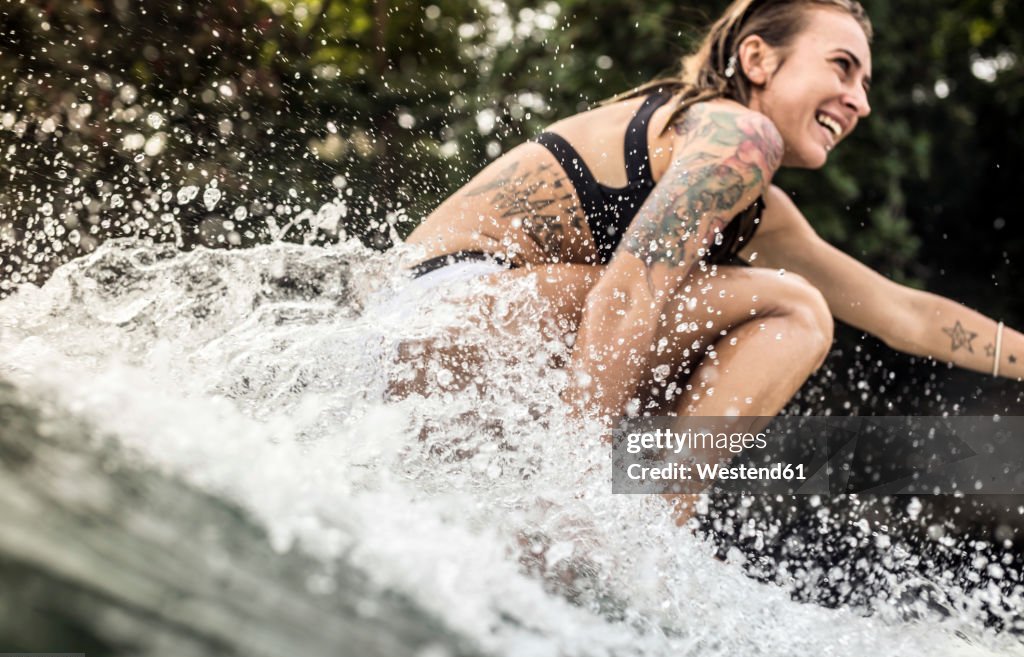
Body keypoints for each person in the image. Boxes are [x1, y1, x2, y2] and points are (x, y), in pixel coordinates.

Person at [401, 0, 1022, 440]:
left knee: (755, 335)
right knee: (795, 312)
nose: (860, 99)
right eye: (841, 66)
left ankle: (637, 514)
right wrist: (577, 488)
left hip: (440, 335)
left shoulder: (750, 198)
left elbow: (906, 315)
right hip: (451, 316)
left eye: (865, 81)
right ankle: (634, 539)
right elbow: (628, 291)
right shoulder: (738, 135)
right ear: (758, 59)